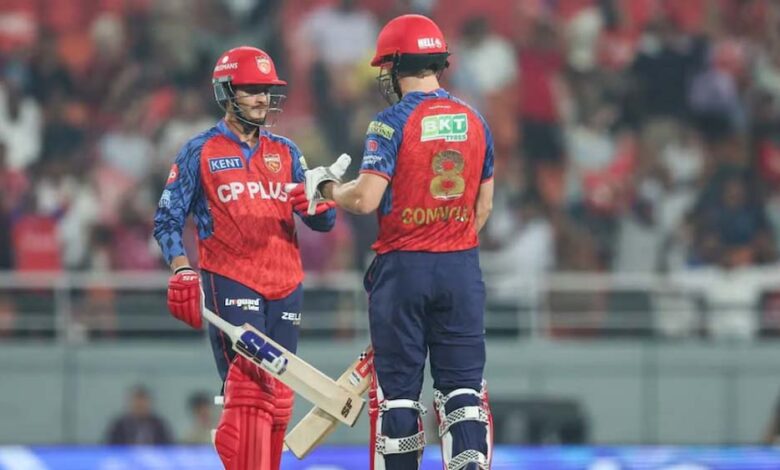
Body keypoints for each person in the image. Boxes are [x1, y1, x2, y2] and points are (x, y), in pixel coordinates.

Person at [303, 14, 495, 470]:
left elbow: (365, 199)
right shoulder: (475, 119)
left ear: (395, 67)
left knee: (400, 398)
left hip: (403, 268)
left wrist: (327, 188)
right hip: (460, 266)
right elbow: (484, 207)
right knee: (464, 392)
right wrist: (448, 237)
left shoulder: (389, 123)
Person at [152, 46, 337, 470]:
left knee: (278, 395)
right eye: (251, 89)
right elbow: (167, 219)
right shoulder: (199, 150)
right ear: (226, 92)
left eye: (266, 90)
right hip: (231, 279)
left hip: (286, 285)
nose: (262, 98)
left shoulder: (287, 151)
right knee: (249, 390)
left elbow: (323, 222)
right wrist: (182, 268)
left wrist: (318, 207)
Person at [105, 385, 172, 445]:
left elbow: (169, 447)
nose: (140, 405)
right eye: (136, 402)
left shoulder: (158, 425)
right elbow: (110, 447)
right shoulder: (120, 425)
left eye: (143, 402)